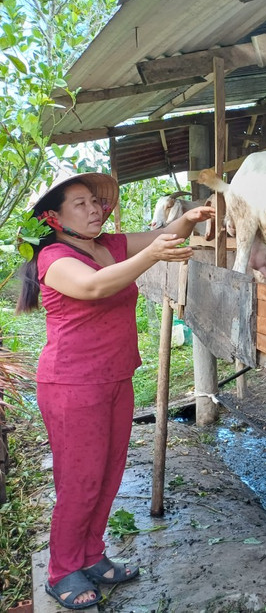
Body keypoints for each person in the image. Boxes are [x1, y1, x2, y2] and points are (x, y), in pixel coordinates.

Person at [16, 172, 215, 610]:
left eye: (95, 202)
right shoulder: (53, 256)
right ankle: (61, 570)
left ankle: (90, 555)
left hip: (116, 377)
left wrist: (192, 217)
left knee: (107, 476)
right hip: (72, 383)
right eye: (80, 204)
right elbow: (94, 286)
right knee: (79, 481)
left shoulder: (111, 245)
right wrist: (153, 257)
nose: (94, 210)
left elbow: (165, 233)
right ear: (53, 217)